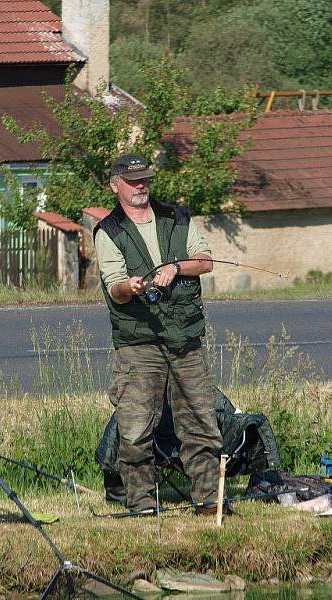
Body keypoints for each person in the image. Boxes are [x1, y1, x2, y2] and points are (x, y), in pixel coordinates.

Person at [93, 153, 223, 515]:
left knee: (200, 421)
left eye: (145, 179)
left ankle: (209, 501)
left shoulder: (177, 217)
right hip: (138, 343)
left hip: (185, 338)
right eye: (132, 181)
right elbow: (114, 286)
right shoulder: (109, 231)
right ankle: (143, 506)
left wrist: (176, 267)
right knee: (134, 429)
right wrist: (130, 287)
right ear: (115, 185)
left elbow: (206, 261)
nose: (140, 186)